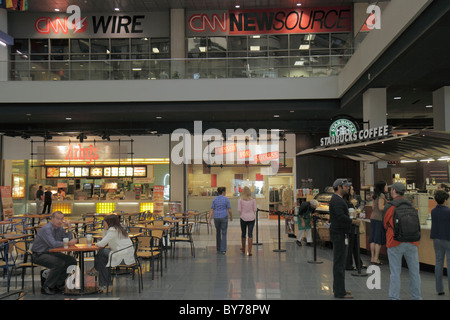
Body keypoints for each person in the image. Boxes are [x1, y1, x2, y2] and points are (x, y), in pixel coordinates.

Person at [383, 182, 422, 300]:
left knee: (395, 272)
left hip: (394, 242)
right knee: (415, 272)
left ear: (394, 191)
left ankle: (394, 297)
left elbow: (385, 224)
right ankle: (417, 297)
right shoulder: (411, 205)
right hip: (412, 242)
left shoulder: (390, 206)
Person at [32, 211, 77, 295]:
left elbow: (67, 239)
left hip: (51, 252)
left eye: (61, 219)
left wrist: (69, 228)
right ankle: (46, 286)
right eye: (57, 219)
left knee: (71, 261)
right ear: (52, 219)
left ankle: (58, 284)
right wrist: (68, 243)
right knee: (59, 263)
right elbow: (53, 244)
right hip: (39, 254)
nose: (59, 221)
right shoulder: (47, 229)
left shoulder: (60, 228)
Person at [329, 178, 359, 299]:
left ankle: (340, 289)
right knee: (339, 263)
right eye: (346, 186)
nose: (348, 188)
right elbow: (341, 217)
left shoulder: (339, 200)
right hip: (339, 234)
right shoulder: (337, 201)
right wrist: (352, 221)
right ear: (339, 187)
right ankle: (339, 292)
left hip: (340, 233)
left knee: (340, 263)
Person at [90, 214, 135, 291]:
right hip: (128, 256)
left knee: (102, 252)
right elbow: (105, 241)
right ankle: (104, 283)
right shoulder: (119, 229)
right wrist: (105, 230)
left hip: (122, 258)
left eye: (105, 222)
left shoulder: (112, 230)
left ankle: (101, 278)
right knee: (102, 259)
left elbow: (101, 244)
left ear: (109, 222)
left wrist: (95, 243)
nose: (104, 224)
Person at [430, 190, 450, 295]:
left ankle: (439, 289)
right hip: (447, 239)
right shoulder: (448, 211)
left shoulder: (433, 211)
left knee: (438, 264)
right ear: (445, 200)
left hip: (436, 239)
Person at [344, 185, 364, 270]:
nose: (353, 190)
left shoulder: (352, 201)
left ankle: (358, 263)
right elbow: (351, 214)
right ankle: (349, 264)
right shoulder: (347, 203)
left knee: (354, 245)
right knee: (351, 245)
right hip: (351, 226)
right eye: (351, 189)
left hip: (352, 226)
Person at [209, 187, 233, 254]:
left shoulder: (214, 199)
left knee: (218, 232)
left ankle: (218, 248)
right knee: (224, 233)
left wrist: (209, 219)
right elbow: (229, 210)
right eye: (225, 192)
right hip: (224, 217)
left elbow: (212, 209)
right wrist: (231, 217)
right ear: (223, 192)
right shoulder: (226, 199)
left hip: (216, 217)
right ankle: (223, 250)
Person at [369, 181, 387, 265]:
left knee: (372, 238)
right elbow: (380, 207)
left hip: (373, 217)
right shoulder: (382, 195)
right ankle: (376, 258)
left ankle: (372, 257)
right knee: (378, 239)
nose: (387, 187)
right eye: (386, 185)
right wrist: (388, 205)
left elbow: (373, 207)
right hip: (379, 218)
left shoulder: (375, 195)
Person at [238, 186, 257, 256]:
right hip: (251, 218)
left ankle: (243, 248)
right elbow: (255, 209)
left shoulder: (240, 200)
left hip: (243, 218)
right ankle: (250, 251)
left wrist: (243, 214)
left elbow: (239, 210)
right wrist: (251, 213)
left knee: (243, 233)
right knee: (250, 234)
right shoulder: (253, 200)